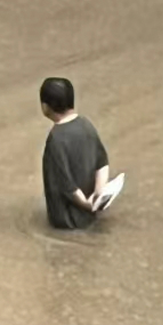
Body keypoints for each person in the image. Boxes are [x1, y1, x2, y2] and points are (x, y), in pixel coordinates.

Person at [39, 77, 112, 230]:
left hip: (66, 220)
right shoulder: (87, 125)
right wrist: (98, 194)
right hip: (91, 211)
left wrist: (86, 204)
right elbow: (102, 163)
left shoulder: (56, 139)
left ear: (45, 107)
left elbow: (67, 186)